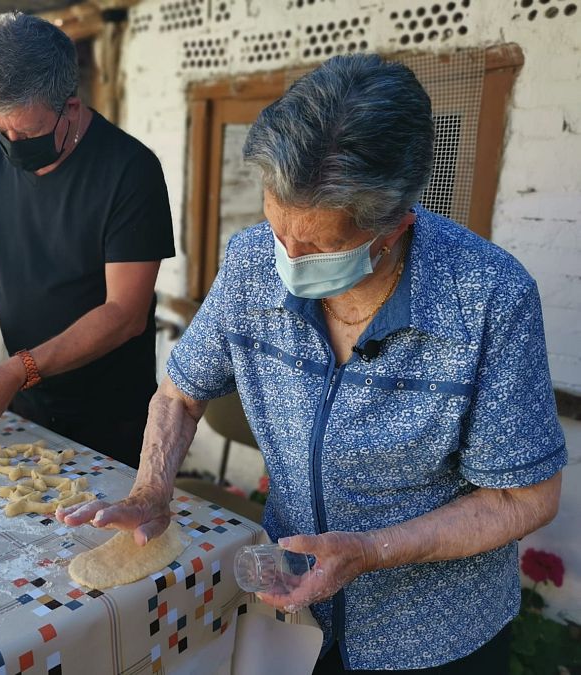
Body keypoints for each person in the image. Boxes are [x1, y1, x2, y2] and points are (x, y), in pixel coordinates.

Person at [58, 54, 566, 672]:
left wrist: (369, 551)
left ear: (394, 226)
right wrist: (150, 489)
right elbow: (179, 394)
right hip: (293, 612)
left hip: (435, 635)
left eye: (320, 246)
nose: (289, 261)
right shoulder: (251, 265)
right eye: (278, 229)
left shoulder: (486, 296)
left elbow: (524, 497)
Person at [0, 12, 175, 469]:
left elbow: (125, 314)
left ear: (72, 108)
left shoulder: (130, 170)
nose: (13, 144)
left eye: (27, 133)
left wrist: (14, 370)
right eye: (1, 130)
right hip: (23, 407)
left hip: (109, 420)